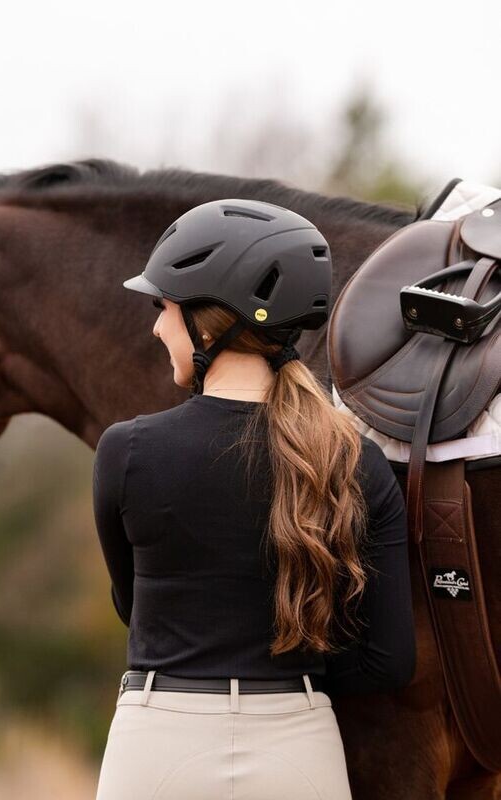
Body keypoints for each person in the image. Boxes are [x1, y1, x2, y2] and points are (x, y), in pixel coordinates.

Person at [92, 198, 416, 800]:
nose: (156, 326)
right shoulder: (355, 460)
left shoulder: (126, 452)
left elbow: (132, 605)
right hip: (299, 751)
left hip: (158, 745)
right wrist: (287, 683)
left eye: (162, 307)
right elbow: (389, 661)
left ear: (207, 321)